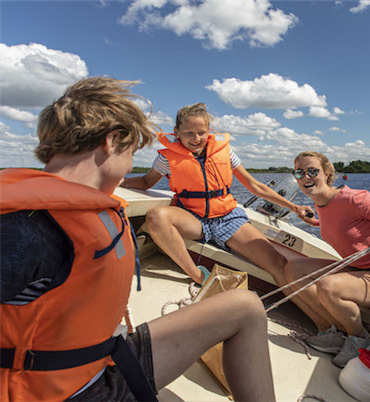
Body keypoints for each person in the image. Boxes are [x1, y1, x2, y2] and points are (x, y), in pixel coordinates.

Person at [0, 77, 275, 402]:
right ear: (112, 141)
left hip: (100, 356)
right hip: (72, 390)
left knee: (246, 307)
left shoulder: (73, 211)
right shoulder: (26, 227)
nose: (130, 164)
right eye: (132, 152)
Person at [120, 103, 327, 325]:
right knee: (156, 217)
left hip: (227, 217)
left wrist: (294, 207)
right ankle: (198, 276)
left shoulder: (225, 152)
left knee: (278, 263)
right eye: (189, 133)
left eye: (201, 132)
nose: (196, 138)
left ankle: (323, 323)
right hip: (193, 217)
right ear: (177, 132)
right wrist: (117, 180)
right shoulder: (167, 158)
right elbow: (146, 181)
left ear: (209, 131)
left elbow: (255, 186)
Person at [285, 151, 370, 368]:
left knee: (328, 287)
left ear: (327, 174)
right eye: (300, 173)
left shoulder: (354, 198)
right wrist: (314, 222)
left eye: (312, 171)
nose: (306, 177)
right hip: (355, 267)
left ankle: (358, 340)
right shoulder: (320, 202)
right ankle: (332, 332)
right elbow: (341, 223)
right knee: (293, 269)